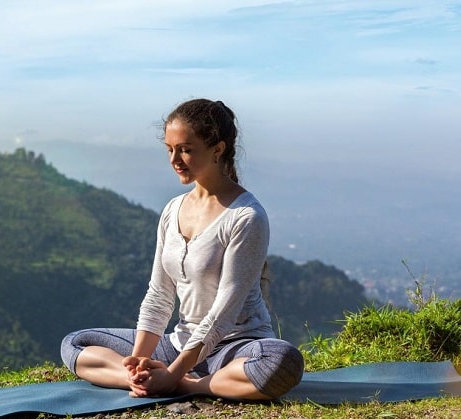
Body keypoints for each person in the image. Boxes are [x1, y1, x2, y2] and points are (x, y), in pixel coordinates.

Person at [60, 98, 304, 400]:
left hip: (233, 347)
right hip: (179, 343)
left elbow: (222, 315)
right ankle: (140, 380)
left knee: (281, 361)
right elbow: (159, 294)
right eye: (170, 149)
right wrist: (139, 363)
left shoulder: (246, 217)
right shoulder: (173, 209)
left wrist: (174, 375)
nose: (175, 159)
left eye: (186, 150)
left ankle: (187, 385)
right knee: (76, 343)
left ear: (218, 149)